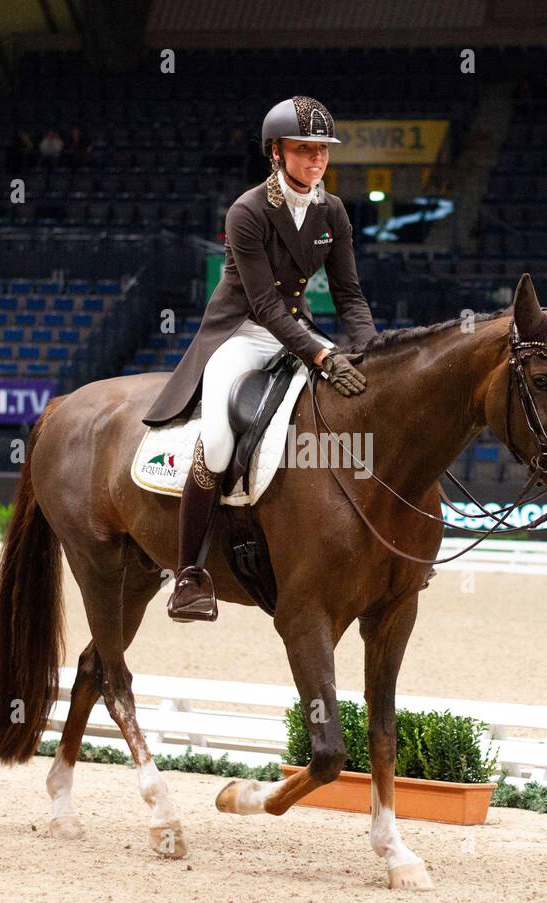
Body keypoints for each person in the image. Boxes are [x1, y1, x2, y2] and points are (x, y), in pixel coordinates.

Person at [141, 96, 377, 622]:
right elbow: (266, 304)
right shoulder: (247, 211)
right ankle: (187, 575)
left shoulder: (331, 210)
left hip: (298, 331)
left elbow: (349, 293)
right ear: (276, 152)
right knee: (221, 436)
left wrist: (368, 349)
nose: (316, 161)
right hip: (241, 334)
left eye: (322, 151)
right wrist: (320, 354)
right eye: (304, 150)